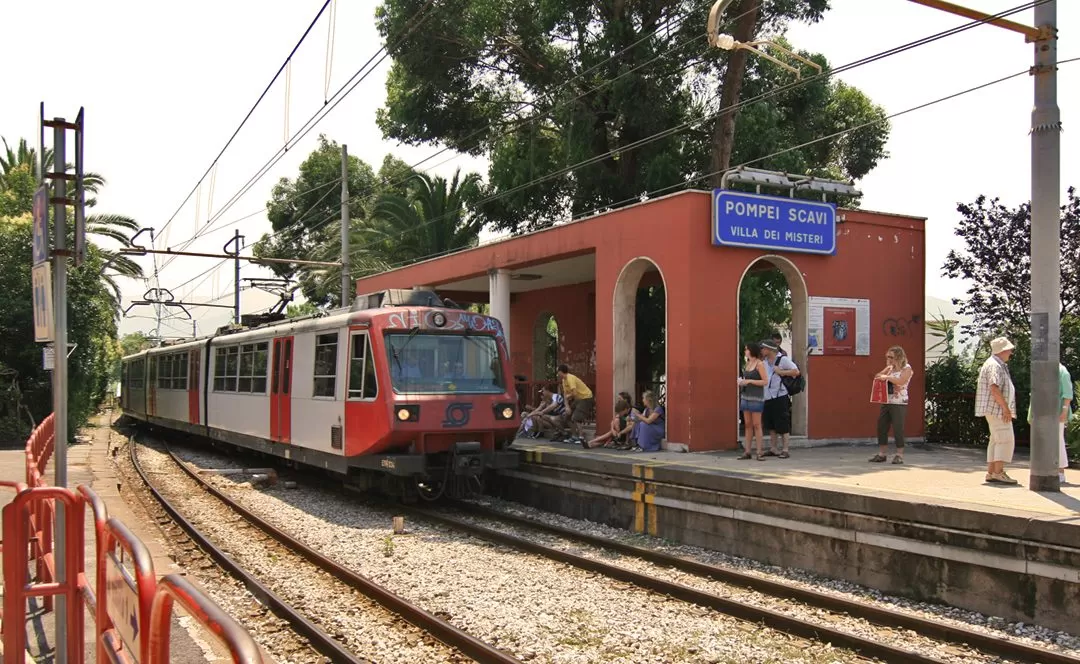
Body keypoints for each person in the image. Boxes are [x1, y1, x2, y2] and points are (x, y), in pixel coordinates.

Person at [975, 337, 1019, 485]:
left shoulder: (994, 363)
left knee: (996, 439)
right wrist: (1005, 408)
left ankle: (992, 472)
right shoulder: (995, 365)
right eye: (1009, 350)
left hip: (993, 409)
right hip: (997, 409)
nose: (1011, 352)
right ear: (1002, 351)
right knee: (1004, 439)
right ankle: (998, 472)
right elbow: (994, 387)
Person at [1026, 362, 1073, 485]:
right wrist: (1031, 414)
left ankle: (1060, 472)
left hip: (1055, 412)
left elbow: (1067, 393)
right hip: (1042, 412)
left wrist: (1064, 411)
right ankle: (1046, 470)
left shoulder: (1062, 370)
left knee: (1057, 441)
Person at [869, 345, 914, 464]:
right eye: (887, 356)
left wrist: (887, 377)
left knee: (898, 428)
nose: (889, 358)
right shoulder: (890, 368)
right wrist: (885, 372)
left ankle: (899, 455)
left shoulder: (906, 368)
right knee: (882, 427)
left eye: (891, 357)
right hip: (887, 401)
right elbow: (877, 376)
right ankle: (882, 454)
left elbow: (901, 381)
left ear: (898, 356)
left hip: (899, 402)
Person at [760, 340, 799, 458]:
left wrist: (781, 372)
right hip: (768, 396)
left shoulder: (783, 359)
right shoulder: (765, 361)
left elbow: (796, 371)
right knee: (771, 424)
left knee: (782, 423)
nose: (761, 350)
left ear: (770, 349)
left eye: (763, 348)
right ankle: (773, 448)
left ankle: (785, 449)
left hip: (780, 396)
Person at [737, 343, 769, 460]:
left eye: (747, 350)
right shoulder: (748, 363)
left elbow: (765, 381)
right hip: (746, 396)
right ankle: (747, 451)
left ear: (752, 351)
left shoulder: (759, 364)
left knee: (757, 424)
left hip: (756, 397)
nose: (745, 351)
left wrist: (750, 381)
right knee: (748, 425)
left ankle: (760, 452)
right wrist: (742, 382)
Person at [557, 364, 594, 444]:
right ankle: (574, 436)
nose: (557, 374)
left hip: (586, 397)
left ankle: (581, 437)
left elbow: (574, 393)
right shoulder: (564, 380)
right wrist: (567, 407)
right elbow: (565, 394)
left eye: (558, 372)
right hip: (578, 399)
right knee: (567, 416)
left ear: (560, 372)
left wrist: (568, 396)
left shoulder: (570, 378)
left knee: (576, 417)